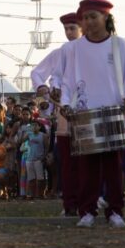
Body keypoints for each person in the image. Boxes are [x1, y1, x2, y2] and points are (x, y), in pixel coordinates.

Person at [60, 0, 125, 228]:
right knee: (87, 166)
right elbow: (68, 81)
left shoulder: (119, 45)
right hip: (85, 111)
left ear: (106, 18)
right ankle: (87, 211)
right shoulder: (75, 48)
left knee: (113, 166)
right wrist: (65, 103)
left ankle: (115, 211)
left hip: (112, 111)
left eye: (93, 16)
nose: (89, 22)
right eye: (85, 18)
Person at [31, 11, 83, 216]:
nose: (69, 32)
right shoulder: (60, 52)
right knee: (67, 158)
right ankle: (70, 202)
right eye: (66, 29)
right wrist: (42, 87)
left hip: (87, 109)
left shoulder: (90, 50)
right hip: (64, 112)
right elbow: (36, 72)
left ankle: (91, 199)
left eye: (73, 28)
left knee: (87, 158)